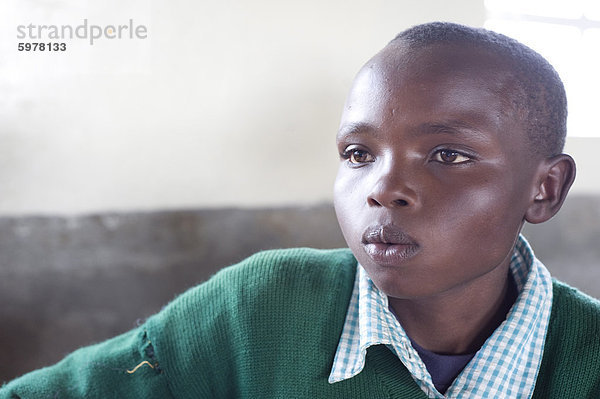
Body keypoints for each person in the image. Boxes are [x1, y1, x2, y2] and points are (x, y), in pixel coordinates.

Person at [2, 22, 599, 399]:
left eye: (447, 154)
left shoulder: (586, 357)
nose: (384, 189)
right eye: (359, 153)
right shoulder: (261, 308)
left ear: (543, 189)